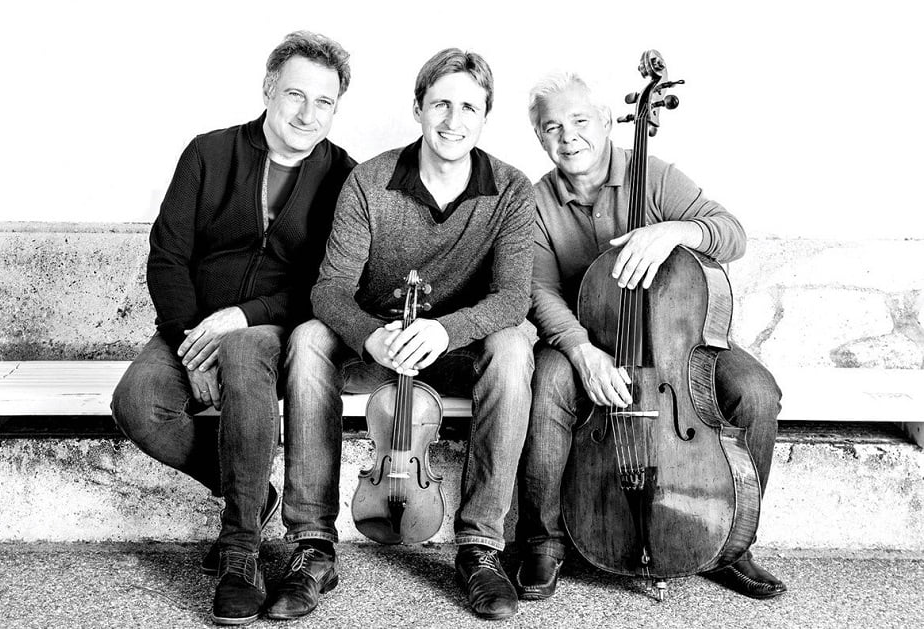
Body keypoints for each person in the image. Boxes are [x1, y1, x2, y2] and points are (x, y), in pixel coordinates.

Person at [269, 48, 534, 621]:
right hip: (378, 349)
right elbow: (329, 290)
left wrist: (447, 330)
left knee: (514, 346)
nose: (453, 120)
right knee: (310, 338)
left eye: (469, 108)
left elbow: (513, 298)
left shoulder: (512, 190)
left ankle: (480, 548)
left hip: (455, 353)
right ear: (418, 108)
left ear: (486, 116)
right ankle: (312, 546)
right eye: (440, 104)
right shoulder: (369, 181)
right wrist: (370, 336)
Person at [111, 31, 356, 626]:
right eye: (295, 94)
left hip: (276, 329)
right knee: (138, 403)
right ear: (268, 89)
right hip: (191, 326)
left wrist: (245, 316)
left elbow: (326, 283)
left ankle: (239, 549)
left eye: (324, 101)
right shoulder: (209, 152)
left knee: (245, 350)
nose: (307, 113)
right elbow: (167, 255)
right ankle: (250, 491)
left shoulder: (343, 176)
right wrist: (188, 341)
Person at [515, 72, 786, 601]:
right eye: (552, 127)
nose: (568, 136)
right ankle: (542, 542)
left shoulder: (655, 176)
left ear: (606, 121)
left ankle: (732, 542)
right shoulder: (535, 202)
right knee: (547, 385)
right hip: (586, 337)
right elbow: (540, 290)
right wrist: (582, 351)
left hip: (679, 338)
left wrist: (677, 230)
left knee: (756, 392)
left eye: (580, 120)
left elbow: (731, 234)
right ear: (539, 137)